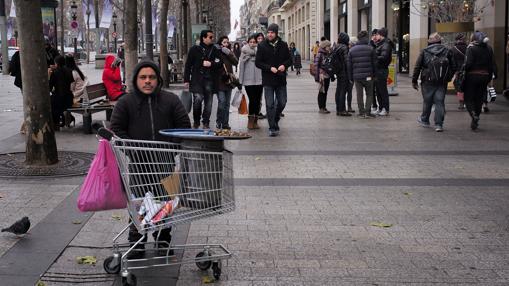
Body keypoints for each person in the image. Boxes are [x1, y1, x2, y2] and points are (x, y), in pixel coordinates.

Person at [110, 59, 191, 259]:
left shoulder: (170, 100)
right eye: (143, 77)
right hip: (139, 163)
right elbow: (117, 130)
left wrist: (170, 146)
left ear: (158, 79)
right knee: (139, 202)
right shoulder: (125, 102)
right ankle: (137, 240)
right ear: (136, 80)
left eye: (152, 77)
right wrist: (134, 149)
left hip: (164, 162)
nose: (148, 81)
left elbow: (184, 126)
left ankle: (163, 239)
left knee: (164, 202)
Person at [412, 32, 456, 132]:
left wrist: (414, 81)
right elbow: (454, 66)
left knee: (427, 100)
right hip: (442, 81)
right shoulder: (447, 51)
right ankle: (439, 124)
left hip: (427, 80)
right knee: (439, 101)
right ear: (440, 41)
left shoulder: (424, 51)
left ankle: (425, 120)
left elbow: (417, 67)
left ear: (429, 42)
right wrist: (448, 77)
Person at [255, 23, 292, 137]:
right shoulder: (262, 46)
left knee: (282, 102)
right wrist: (269, 68)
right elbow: (258, 62)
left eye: (272, 32)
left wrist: (284, 66)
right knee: (270, 104)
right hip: (268, 80)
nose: (270, 34)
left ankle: (275, 119)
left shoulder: (283, 45)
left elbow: (290, 60)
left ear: (276, 33)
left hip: (280, 79)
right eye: (268, 32)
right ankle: (272, 127)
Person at [184, 29, 222, 129]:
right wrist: (186, 80)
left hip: (210, 80)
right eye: (210, 37)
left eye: (212, 37)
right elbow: (188, 65)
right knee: (197, 100)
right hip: (197, 80)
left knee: (209, 104)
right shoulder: (194, 49)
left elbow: (220, 63)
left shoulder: (215, 49)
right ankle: (196, 121)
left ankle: (206, 122)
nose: (212, 39)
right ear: (203, 38)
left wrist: (211, 64)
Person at [463, 31, 497, 131]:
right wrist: (490, 76)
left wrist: (464, 72)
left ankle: (473, 114)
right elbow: (492, 64)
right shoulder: (489, 49)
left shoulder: (471, 48)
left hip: (472, 77)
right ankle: (476, 118)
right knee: (479, 98)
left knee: (468, 98)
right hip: (485, 77)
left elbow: (468, 64)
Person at [347, 30, 377, 119]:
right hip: (368, 76)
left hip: (357, 77)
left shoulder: (352, 50)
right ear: (366, 38)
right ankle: (367, 112)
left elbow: (349, 65)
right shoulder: (371, 48)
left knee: (359, 94)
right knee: (369, 94)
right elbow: (374, 63)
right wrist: (375, 75)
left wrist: (350, 77)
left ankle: (361, 112)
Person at [239, 34, 263, 129]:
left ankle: (255, 121)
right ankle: (250, 120)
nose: (252, 44)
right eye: (251, 42)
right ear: (248, 43)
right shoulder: (244, 52)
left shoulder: (260, 52)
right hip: (248, 81)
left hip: (259, 80)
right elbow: (241, 67)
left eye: (254, 42)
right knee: (252, 100)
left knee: (258, 101)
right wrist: (240, 81)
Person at [215, 36, 239, 129]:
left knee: (227, 104)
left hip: (228, 81)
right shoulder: (216, 52)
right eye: (224, 42)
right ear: (220, 43)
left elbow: (236, 62)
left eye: (227, 42)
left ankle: (225, 124)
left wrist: (229, 53)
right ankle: (218, 121)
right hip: (219, 81)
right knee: (222, 102)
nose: (226, 44)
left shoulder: (229, 53)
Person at [49, 55, 74, 131]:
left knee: (51, 104)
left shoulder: (55, 72)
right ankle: (67, 118)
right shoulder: (69, 71)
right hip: (69, 99)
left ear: (56, 63)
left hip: (59, 99)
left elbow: (49, 86)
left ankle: (55, 123)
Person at [373, 28, 393, 116]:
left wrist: (374, 57)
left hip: (382, 70)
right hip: (378, 70)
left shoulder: (385, 44)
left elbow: (384, 57)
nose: (375, 36)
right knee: (378, 90)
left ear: (381, 35)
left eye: (377, 34)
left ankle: (385, 108)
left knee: (382, 91)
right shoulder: (380, 44)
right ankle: (380, 108)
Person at [333, 32, 352, 116]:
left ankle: (338, 109)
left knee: (338, 90)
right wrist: (349, 74)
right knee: (343, 91)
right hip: (344, 72)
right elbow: (347, 61)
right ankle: (342, 110)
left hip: (338, 71)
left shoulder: (336, 47)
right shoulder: (344, 47)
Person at [314, 40, 332, 114]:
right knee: (321, 92)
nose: (329, 48)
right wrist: (317, 77)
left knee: (325, 92)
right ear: (325, 46)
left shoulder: (327, 54)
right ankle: (321, 108)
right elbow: (316, 65)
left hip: (327, 76)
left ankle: (324, 107)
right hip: (322, 76)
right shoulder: (320, 54)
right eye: (328, 46)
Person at [9, 50, 25, 134]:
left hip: (21, 79)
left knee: (26, 101)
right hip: (26, 80)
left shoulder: (17, 54)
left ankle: (25, 124)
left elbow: (12, 66)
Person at [452, 33, 467, 110]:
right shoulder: (469, 48)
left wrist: (454, 71)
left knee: (459, 86)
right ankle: (468, 102)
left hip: (459, 71)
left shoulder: (454, 49)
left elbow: (452, 62)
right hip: (468, 70)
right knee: (468, 86)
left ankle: (461, 103)